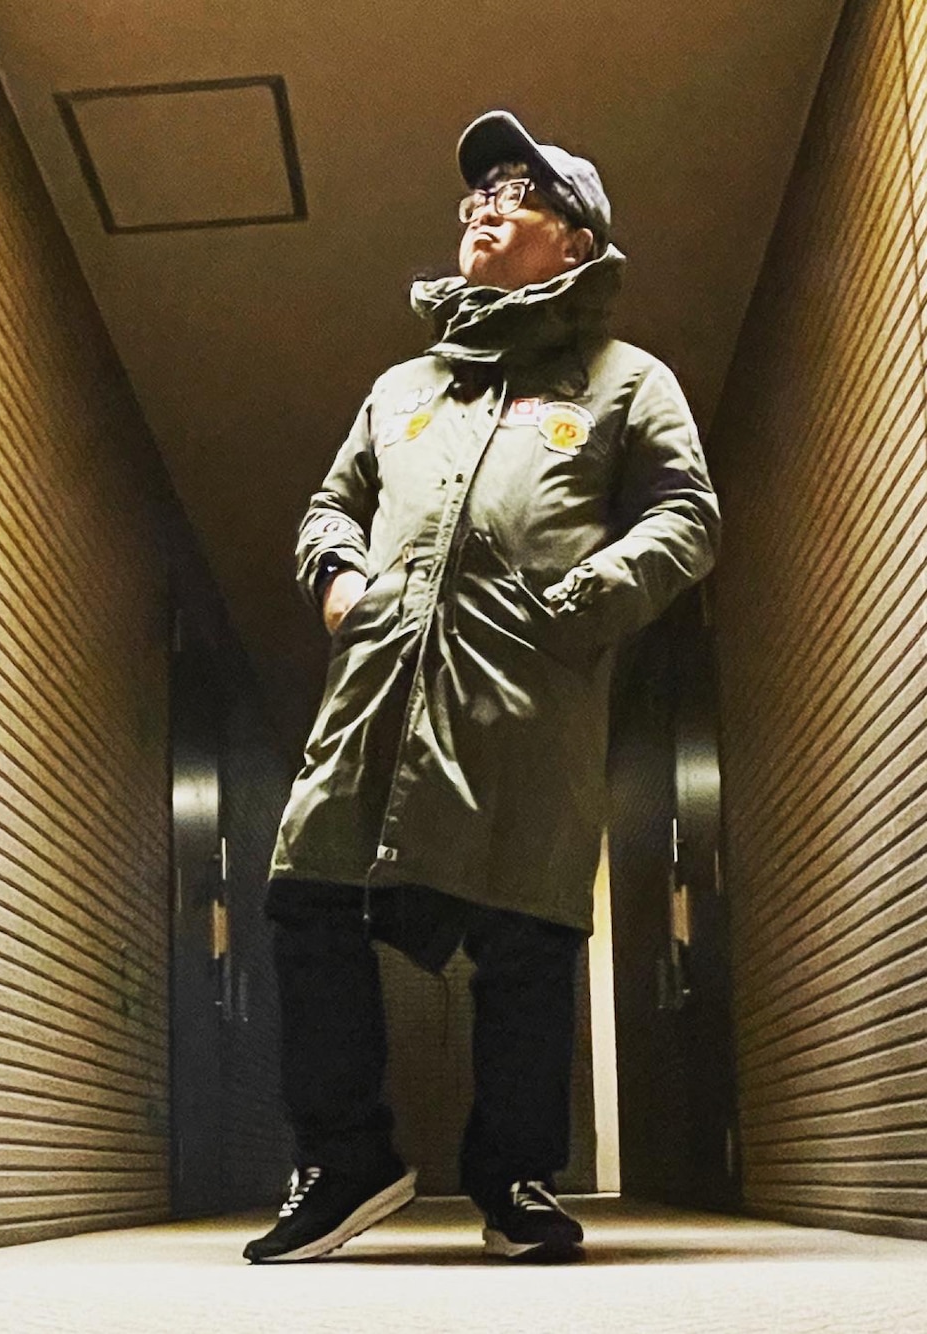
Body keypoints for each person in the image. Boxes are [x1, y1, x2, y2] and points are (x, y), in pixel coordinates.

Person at [244, 110, 720, 1264]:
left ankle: (513, 1179)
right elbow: (330, 506)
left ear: (577, 240)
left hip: (525, 702)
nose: (482, 207)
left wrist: (582, 598)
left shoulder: (625, 381)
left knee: (526, 930)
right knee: (308, 894)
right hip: (375, 697)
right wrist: (340, 582)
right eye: (475, 195)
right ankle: (347, 1157)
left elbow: (685, 516)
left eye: (516, 190)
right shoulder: (401, 387)